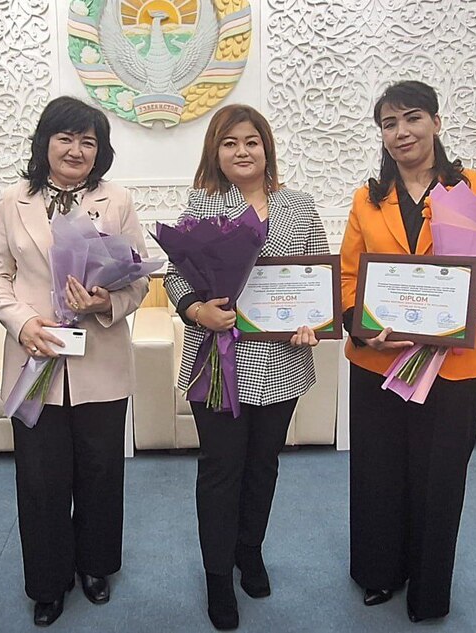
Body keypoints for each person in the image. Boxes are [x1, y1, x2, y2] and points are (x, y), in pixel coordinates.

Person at [340, 80, 476, 623]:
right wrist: (360, 327)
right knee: (378, 471)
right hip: (379, 362)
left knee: (440, 477)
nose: (401, 132)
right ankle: (377, 572)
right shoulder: (367, 199)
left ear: (436, 122)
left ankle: (429, 589)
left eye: (412, 118)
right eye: (389, 124)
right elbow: (348, 278)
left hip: (456, 366)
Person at [0, 96, 149, 628]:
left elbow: (140, 279)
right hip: (35, 356)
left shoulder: (117, 201)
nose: (76, 150)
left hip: (100, 360)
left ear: (100, 151)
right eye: (65, 138)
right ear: (45, 143)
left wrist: (105, 302)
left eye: (88, 142)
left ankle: (96, 566)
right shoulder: (13, 200)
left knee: (101, 472)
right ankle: (48, 582)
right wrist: (22, 322)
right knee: (40, 479)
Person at [163, 104, 329, 631]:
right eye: (229, 142)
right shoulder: (203, 204)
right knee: (221, 470)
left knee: (263, 465)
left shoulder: (299, 206)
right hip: (217, 360)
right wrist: (197, 310)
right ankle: (217, 576)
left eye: (251, 141)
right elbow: (175, 276)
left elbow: (318, 276)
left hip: (282, 361)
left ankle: (249, 551)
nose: (242, 151)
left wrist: (315, 321)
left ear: (266, 148)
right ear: (215, 152)